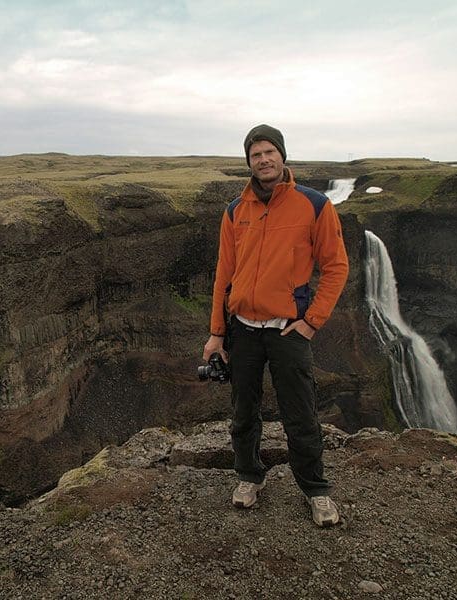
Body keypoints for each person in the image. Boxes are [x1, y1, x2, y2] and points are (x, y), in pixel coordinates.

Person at [202, 124, 349, 526]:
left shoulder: (315, 205)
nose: (263, 160)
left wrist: (311, 323)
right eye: (255, 155)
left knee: (299, 413)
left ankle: (315, 490)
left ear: (282, 156)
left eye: (269, 152)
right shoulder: (236, 210)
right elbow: (223, 273)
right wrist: (217, 332)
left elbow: (336, 267)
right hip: (243, 330)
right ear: (248, 162)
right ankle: (249, 476)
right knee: (243, 411)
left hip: (288, 330)